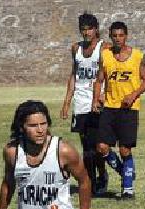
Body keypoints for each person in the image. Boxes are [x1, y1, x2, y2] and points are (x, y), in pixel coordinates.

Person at [91, 21, 145, 200]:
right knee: (101, 147)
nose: (118, 39)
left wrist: (133, 94)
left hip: (129, 109)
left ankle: (128, 190)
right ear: (110, 36)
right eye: (114, 36)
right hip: (109, 107)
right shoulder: (105, 56)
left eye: (121, 35)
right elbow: (99, 80)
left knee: (125, 150)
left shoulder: (137, 56)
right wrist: (96, 98)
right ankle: (125, 171)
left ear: (126, 36)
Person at [59, 12, 110, 197]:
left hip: (96, 100)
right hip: (80, 102)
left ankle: (102, 176)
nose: (86, 33)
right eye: (83, 30)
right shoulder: (76, 48)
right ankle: (91, 181)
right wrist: (66, 102)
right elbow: (74, 75)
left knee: (96, 145)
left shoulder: (104, 48)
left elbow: (110, 73)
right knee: (85, 146)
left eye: (89, 29)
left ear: (96, 29)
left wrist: (104, 94)